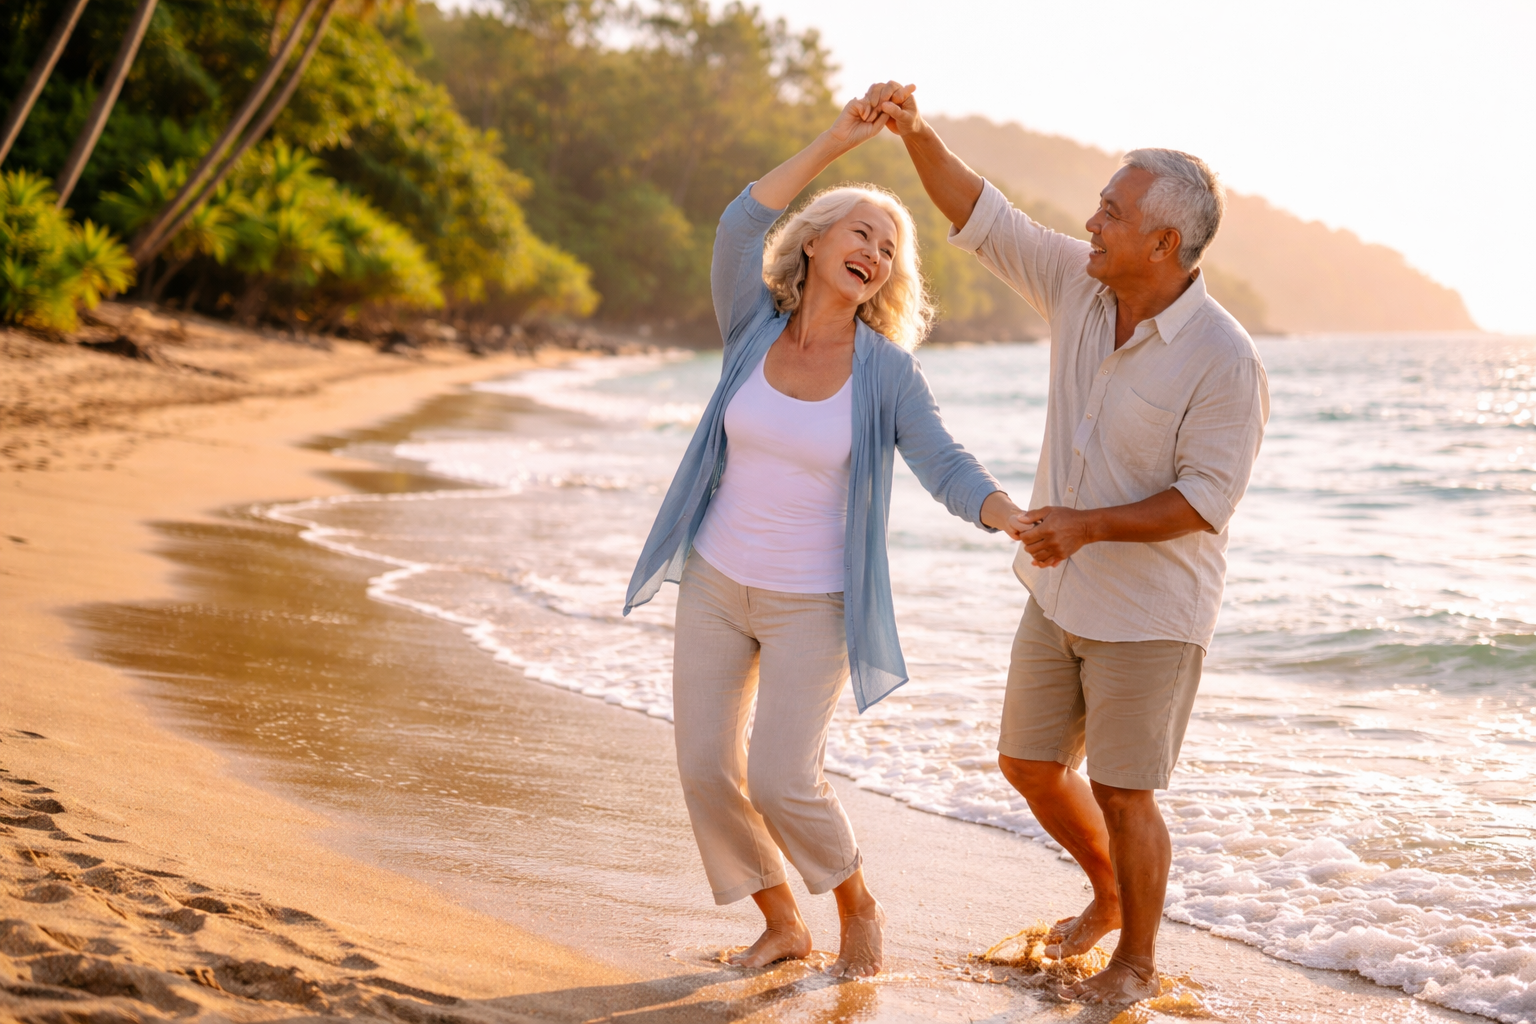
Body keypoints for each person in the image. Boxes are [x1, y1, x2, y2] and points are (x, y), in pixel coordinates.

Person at [868, 83, 1270, 1003]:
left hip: (1152, 613)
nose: (1090, 222)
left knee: (1128, 793)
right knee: (1028, 763)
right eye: (1096, 205)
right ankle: (1107, 895)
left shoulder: (1223, 355)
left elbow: (1208, 500)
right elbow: (984, 214)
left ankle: (1135, 960)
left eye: (1111, 212)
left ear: (1164, 243)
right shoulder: (1077, 285)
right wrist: (917, 133)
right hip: (1057, 593)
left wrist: (1085, 525)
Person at [623, 93, 1025, 978]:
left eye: (890, 248)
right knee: (703, 767)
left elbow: (945, 464)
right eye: (862, 233)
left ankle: (856, 903)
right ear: (814, 242)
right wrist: (840, 141)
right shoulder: (750, 329)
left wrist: (1007, 514)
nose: (876, 253)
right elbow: (740, 221)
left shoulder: (887, 374)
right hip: (721, 579)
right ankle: (782, 922)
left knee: (779, 778)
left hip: (815, 603)